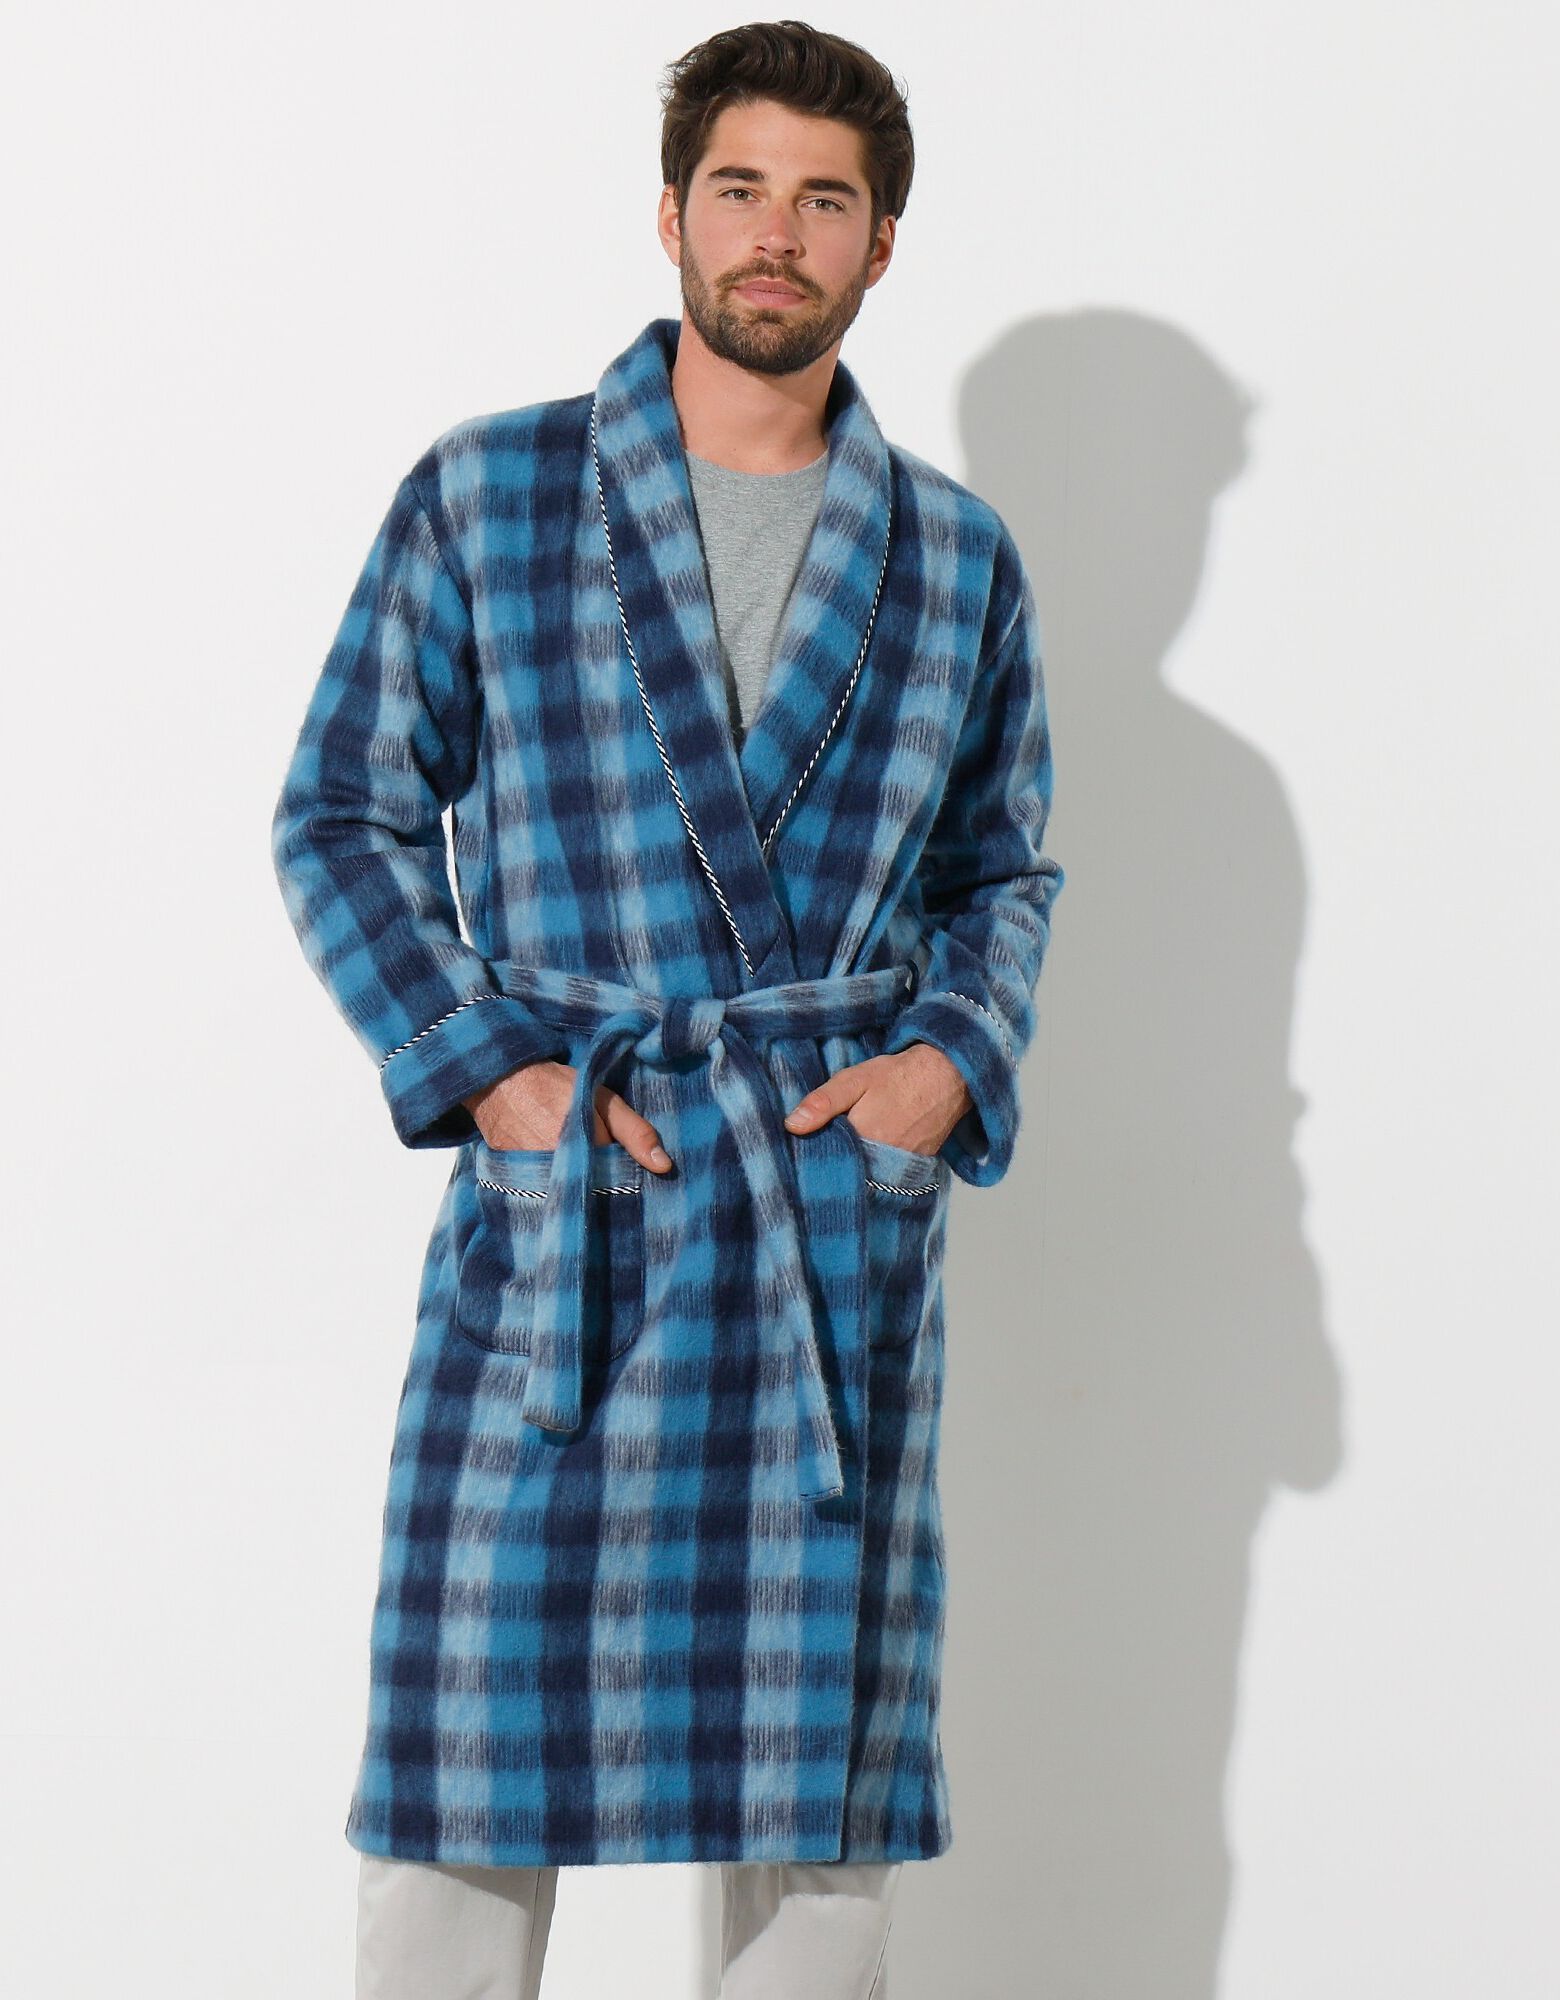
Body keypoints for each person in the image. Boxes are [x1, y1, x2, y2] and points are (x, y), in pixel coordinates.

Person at [270, 19, 1064, 1998]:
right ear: (671, 215)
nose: (776, 233)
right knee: (462, 1779)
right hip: (575, 1218)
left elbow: (1000, 871)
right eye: (740, 188)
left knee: (819, 1817)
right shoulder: (491, 495)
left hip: (819, 1223)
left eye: (825, 200)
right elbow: (343, 813)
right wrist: (495, 1076)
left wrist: (944, 1065)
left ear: (882, 243)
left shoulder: (955, 560)